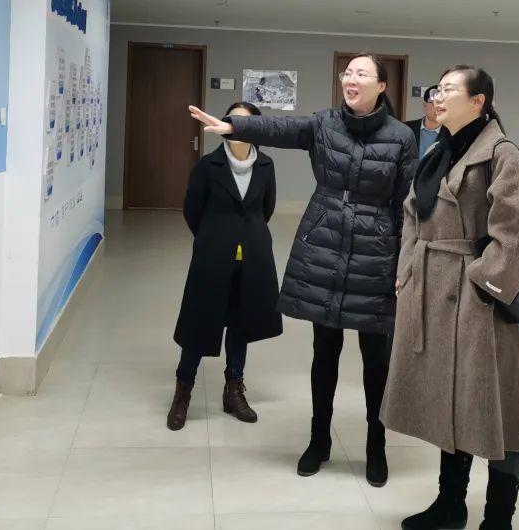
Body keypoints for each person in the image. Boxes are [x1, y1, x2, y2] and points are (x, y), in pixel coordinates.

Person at [190, 54, 417, 487]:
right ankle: (319, 440)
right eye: (347, 73)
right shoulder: (325, 124)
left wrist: (403, 261)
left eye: (361, 73)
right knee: (324, 351)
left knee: (376, 359)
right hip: (326, 244)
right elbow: (280, 128)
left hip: (376, 252)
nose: (351, 79)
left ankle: (376, 446)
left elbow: (406, 204)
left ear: (382, 86)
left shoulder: (401, 137)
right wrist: (234, 126)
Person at [382, 65, 519, 530]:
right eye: (437, 89)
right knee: (449, 401)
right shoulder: (440, 151)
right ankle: (450, 503)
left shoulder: (501, 153)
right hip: (434, 292)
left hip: (482, 307)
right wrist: (408, 269)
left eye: (449, 89)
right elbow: (412, 215)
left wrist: (483, 283)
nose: (438, 95)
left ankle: (499, 517)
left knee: (497, 409)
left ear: (479, 101)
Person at [168, 102, 282, 431]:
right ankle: (183, 391)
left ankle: (234, 389)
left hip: (253, 258)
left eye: (246, 123)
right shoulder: (208, 166)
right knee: (199, 324)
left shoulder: (266, 165)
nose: (238, 128)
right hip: (213, 256)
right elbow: (192, 210)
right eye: (233, 121)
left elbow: (266, 208)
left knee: (241, 325)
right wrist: (214, 237)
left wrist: (246, 237)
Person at [405, 84, 442, 160]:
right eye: (434, 103)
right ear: (424, 105)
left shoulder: (450, 133)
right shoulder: (406, 128)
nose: (438, 107)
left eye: (441, 103)